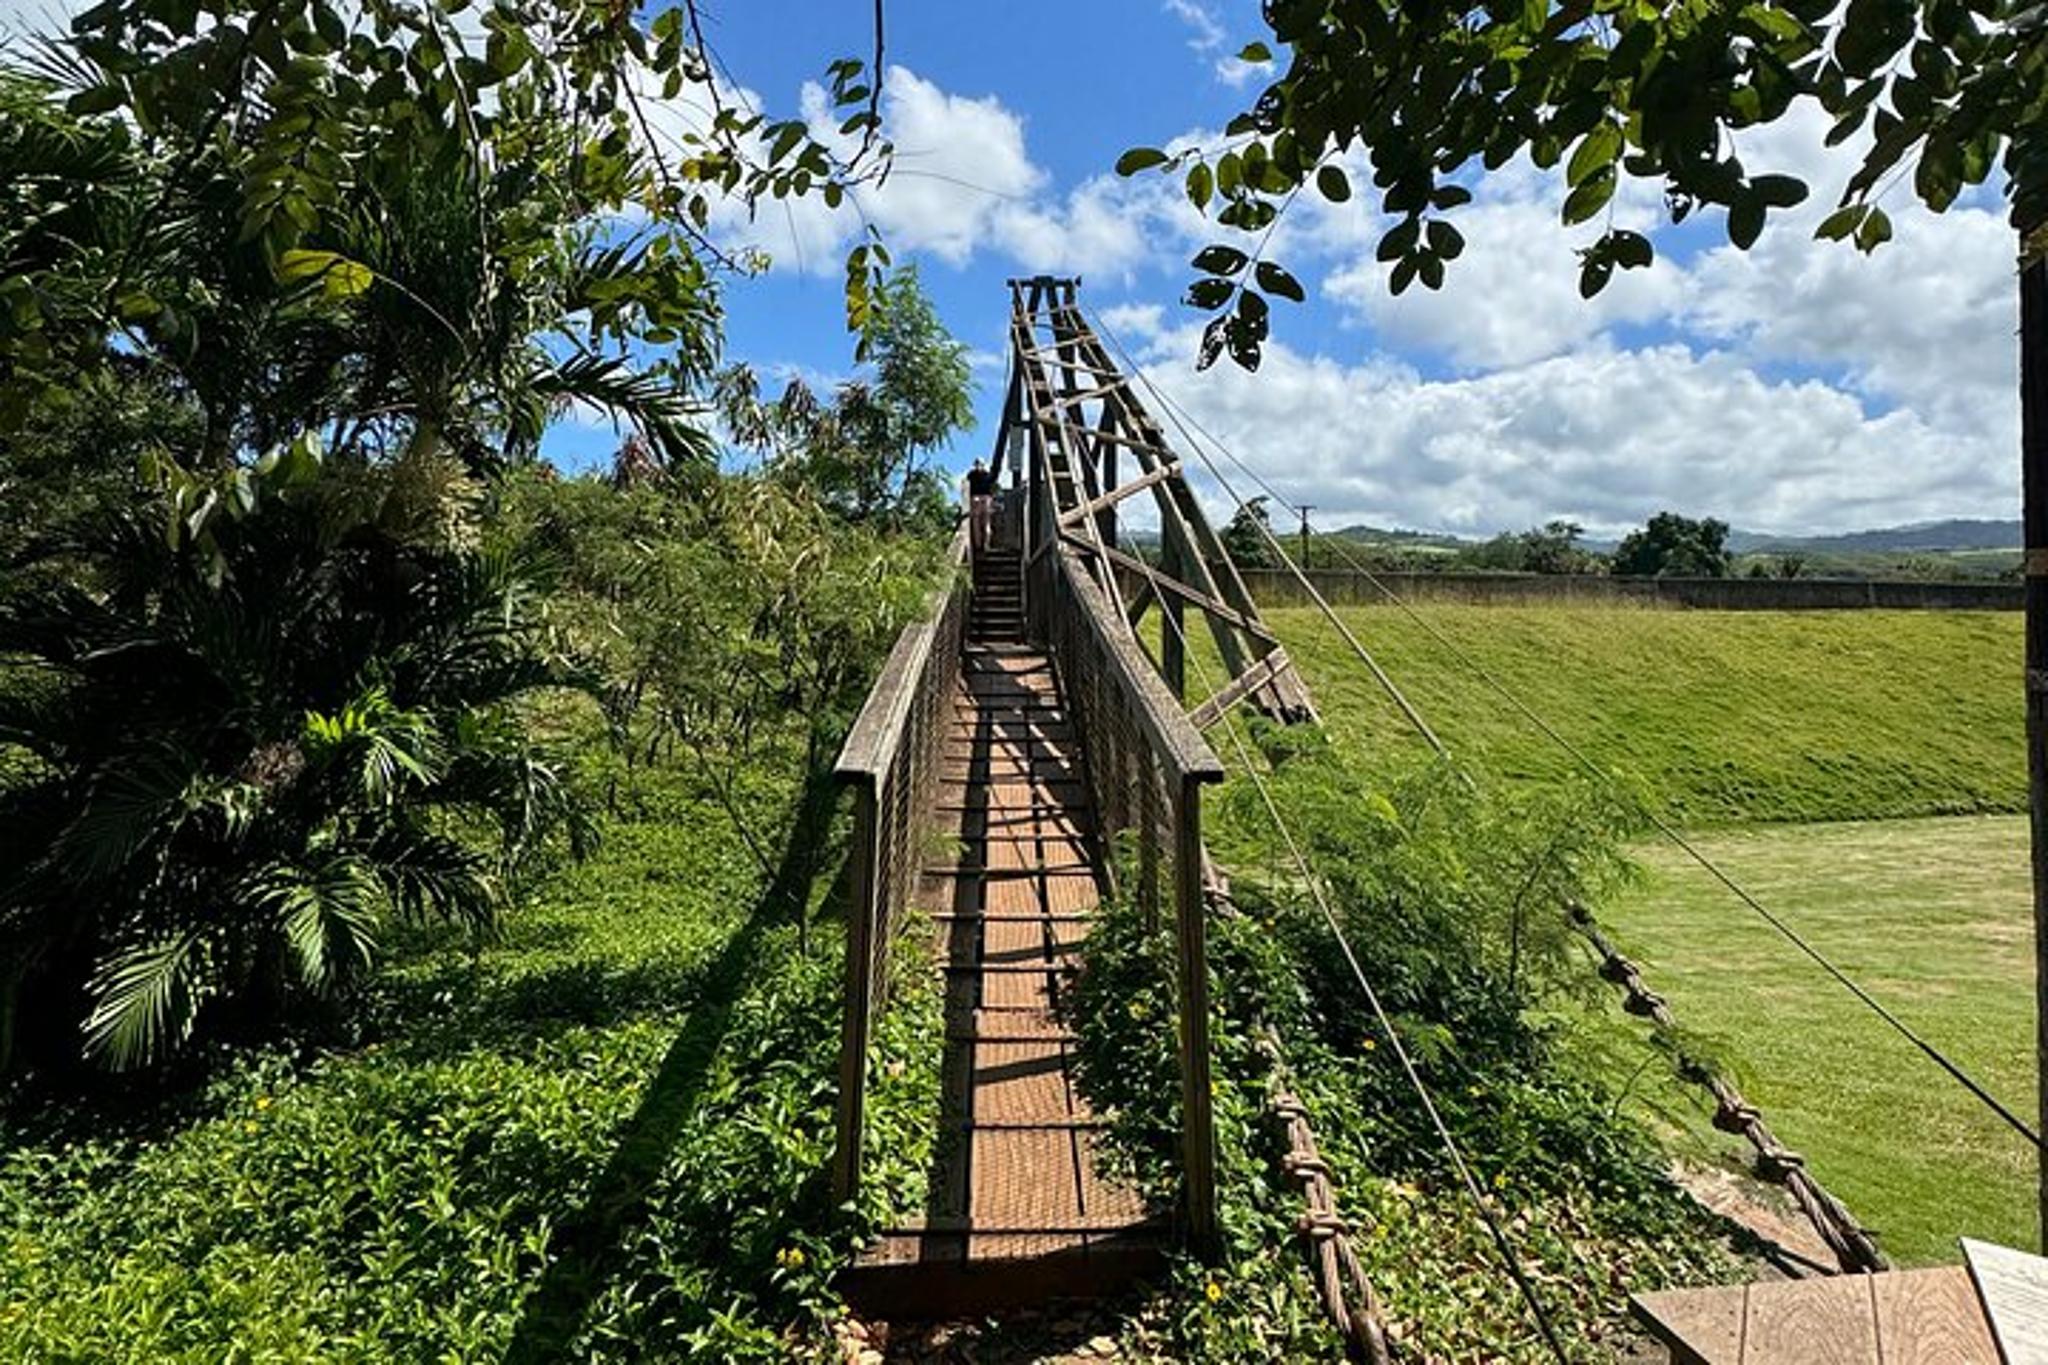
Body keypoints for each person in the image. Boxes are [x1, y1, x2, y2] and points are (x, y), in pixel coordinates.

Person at [966, 458, 997, 550]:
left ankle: (978, 545)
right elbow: (991, 488)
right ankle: (986, 545)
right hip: (986, 499)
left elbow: (968, 487)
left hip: (976, 499)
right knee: (986, 522)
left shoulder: (971, 475)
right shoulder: (987, 475)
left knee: (976, 522)